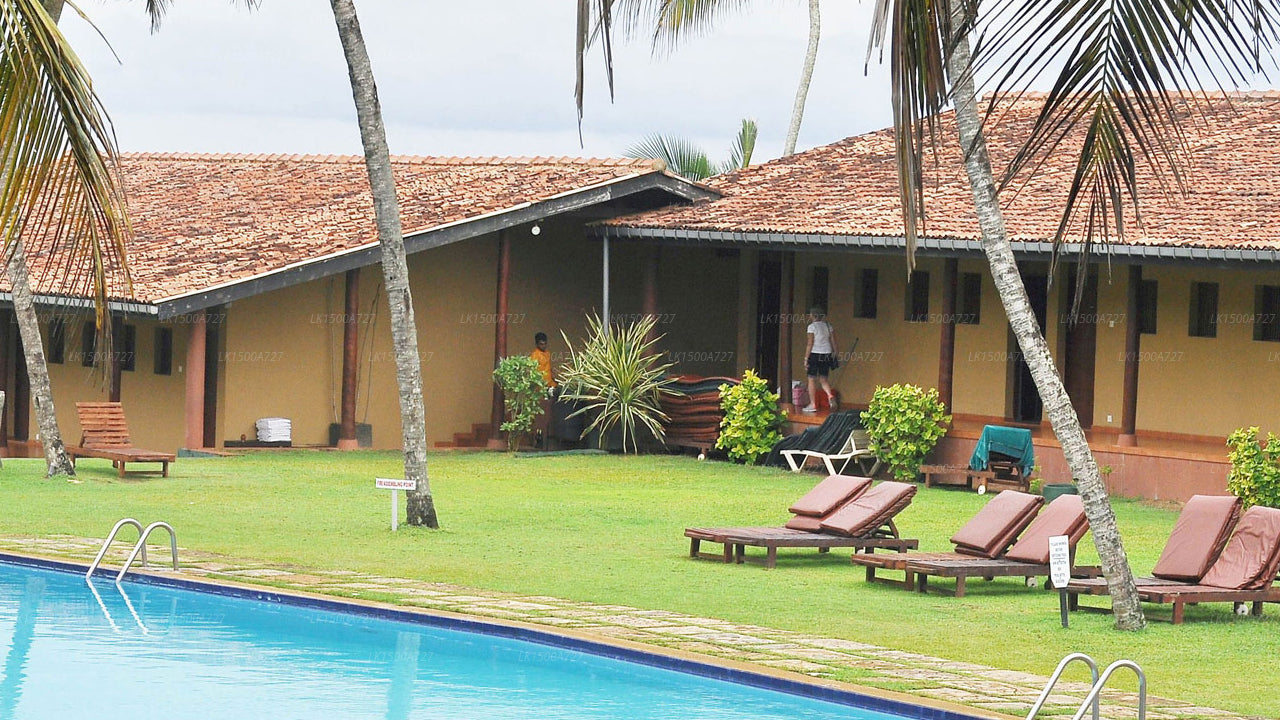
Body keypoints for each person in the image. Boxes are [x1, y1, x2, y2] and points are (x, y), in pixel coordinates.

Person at [802, 307, 838, 413]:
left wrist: (806, 358)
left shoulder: (811, 327)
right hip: (827, 354)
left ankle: (813, 404)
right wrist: (836, 352)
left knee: (811, 379)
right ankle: (830, 395)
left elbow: (810, 343)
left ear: (812, 316)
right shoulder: (828, 326)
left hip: (815, 354)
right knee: (823, 379)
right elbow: (833, 341)